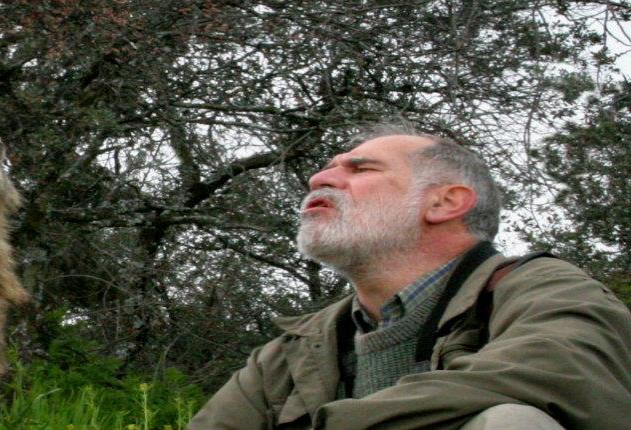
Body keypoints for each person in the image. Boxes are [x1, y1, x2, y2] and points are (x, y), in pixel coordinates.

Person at [188, 126, 631, 429]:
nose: (318, 178)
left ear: (444, 203)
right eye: (328, 168)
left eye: (360, 169)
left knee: (509, 422)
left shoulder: (544, 290)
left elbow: (560, 377)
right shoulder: (293, 351)